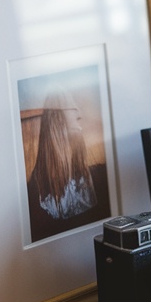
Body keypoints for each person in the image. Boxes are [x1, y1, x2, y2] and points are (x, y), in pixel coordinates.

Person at [26, 89, 110, 241]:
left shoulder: (104, 177)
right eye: (72, 104)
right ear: (57, 119)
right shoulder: (33, 195)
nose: (79, 114)